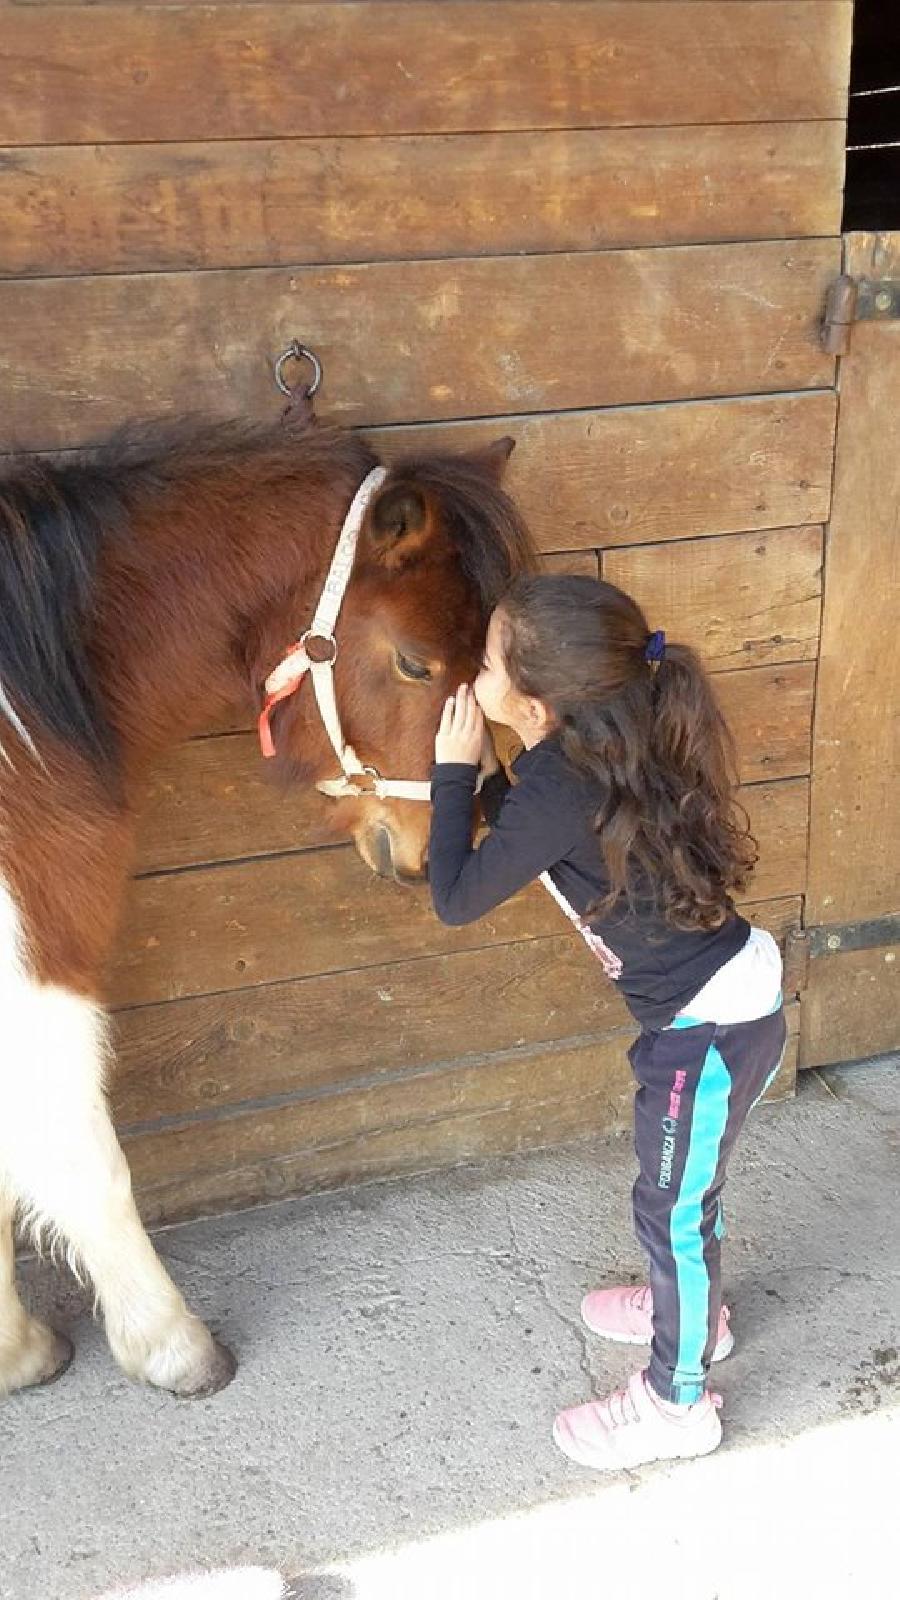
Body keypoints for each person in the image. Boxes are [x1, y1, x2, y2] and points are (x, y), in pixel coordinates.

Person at [429, 575, 786, 1472]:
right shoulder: (599, 746)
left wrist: (450, 771)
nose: (474, 673)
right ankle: (690, 1313)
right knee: (677, 1198)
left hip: (706, 1028)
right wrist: (490, 770)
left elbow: (457, 896)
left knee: (671, 1210)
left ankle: (677, 1404)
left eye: (487, 661)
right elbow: (524, 822)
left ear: (535, 704)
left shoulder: (560, 775)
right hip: (724, 1001)